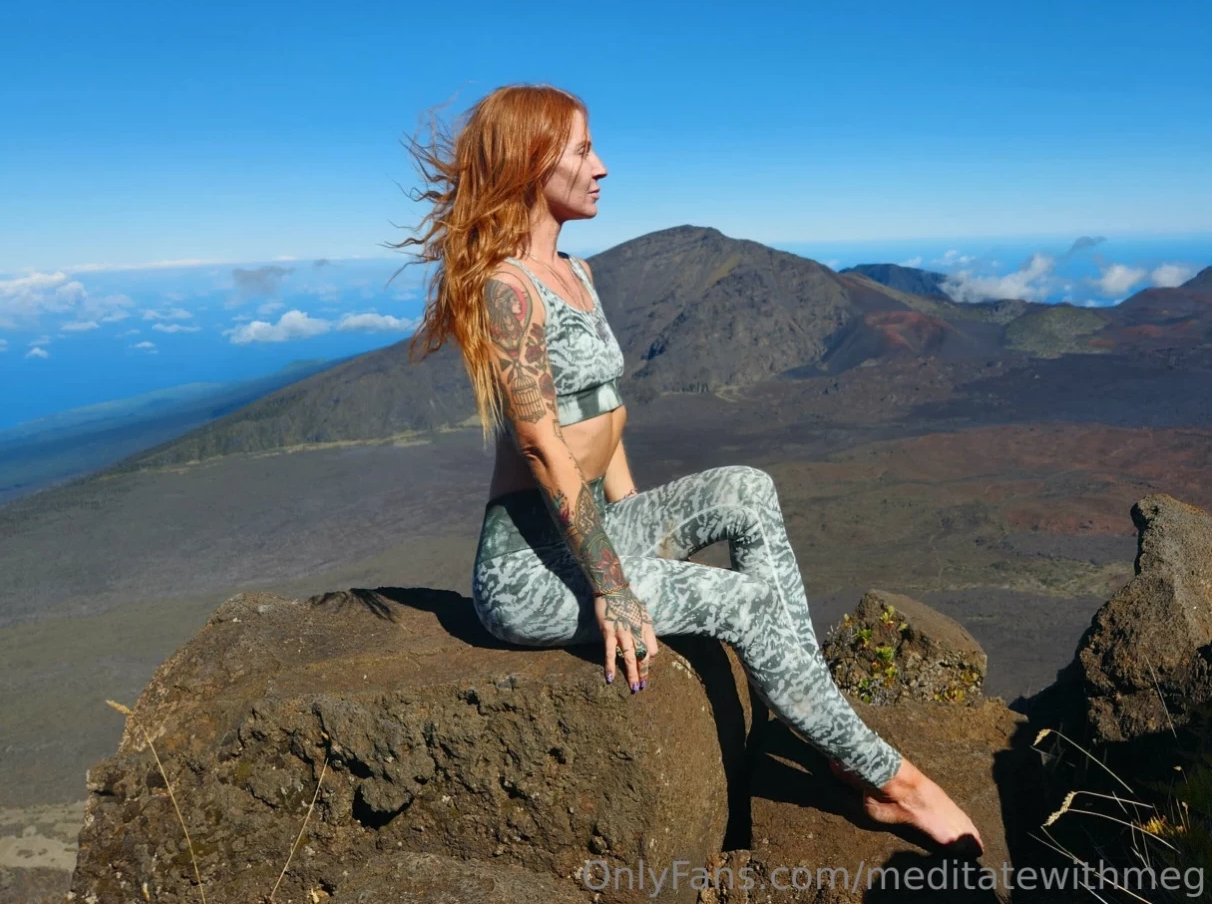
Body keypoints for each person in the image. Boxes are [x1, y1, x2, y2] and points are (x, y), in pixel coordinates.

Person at [389, 83, 984, 853]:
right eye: (581, 150)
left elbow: (604, 413)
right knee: (745, 602)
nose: (601, 166)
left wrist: (644, 528)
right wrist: (615, 586)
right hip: (529, 568)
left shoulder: (578, 273)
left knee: (748, 488)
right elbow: (541, 445)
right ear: (533, 163)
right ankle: (890, 783)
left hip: (593, 525)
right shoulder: (510, 288)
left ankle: (814, 711)